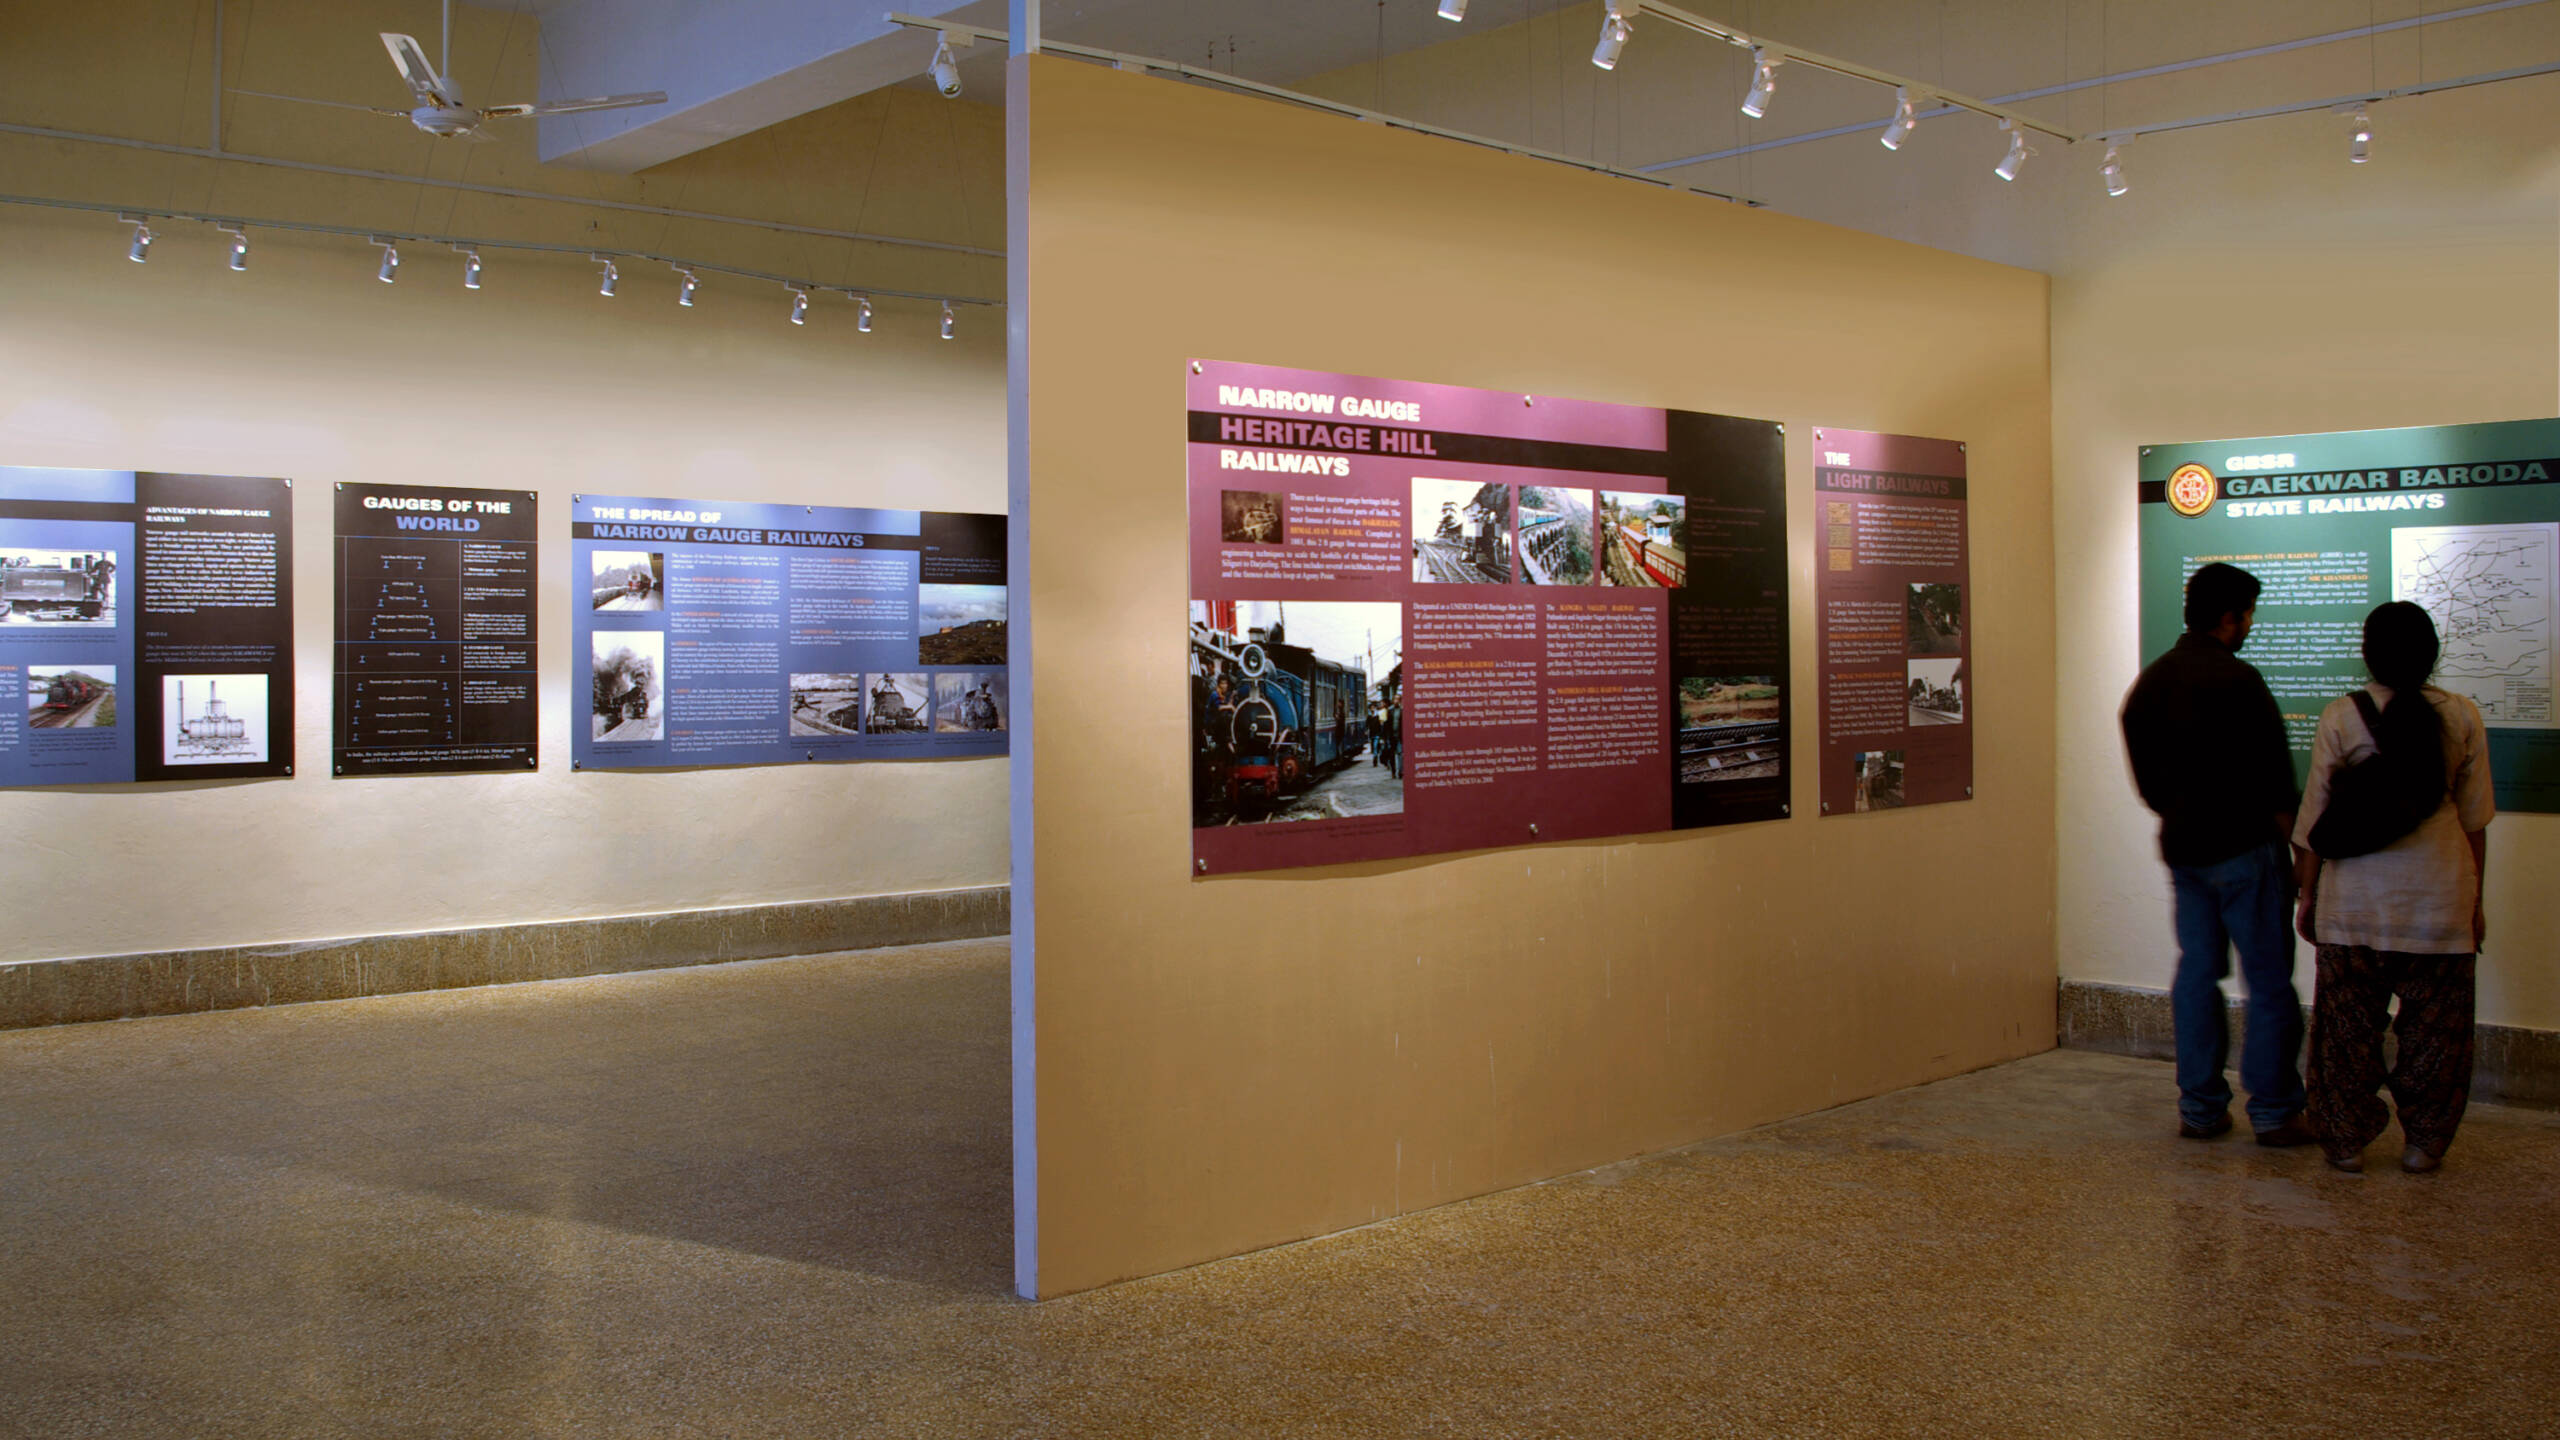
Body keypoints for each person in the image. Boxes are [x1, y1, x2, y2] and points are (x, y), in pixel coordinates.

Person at [2119, 562, 2315, 1146]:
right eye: (2248, 614)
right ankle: (2276, 1111)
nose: (2250, 624)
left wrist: (2178, 811)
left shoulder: (2151, 683)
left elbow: (2148, 782)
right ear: (2230, 618)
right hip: (2247, 852)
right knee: (2269, 982)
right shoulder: (2240, 682)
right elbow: (2280, 785)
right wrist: (2297, 860)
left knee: (2197, 974)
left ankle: (2201, 1109)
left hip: (2185, 850)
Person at [2294, 602, 2494, 1174]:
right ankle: (2423, 1145)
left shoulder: (2342, 716)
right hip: (2441, 901)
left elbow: (2314, 824)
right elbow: (2474, 824)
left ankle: (2344, 1142)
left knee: (2345, 1035)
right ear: (2431, 653)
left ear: (2369, 653)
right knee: (2438, 1038)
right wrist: (2474, 903)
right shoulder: (2461, 716)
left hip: (2356, 905)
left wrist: (2309, 897)